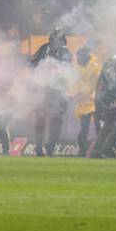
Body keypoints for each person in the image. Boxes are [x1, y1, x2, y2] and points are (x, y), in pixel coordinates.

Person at [28, 28, 73, 157]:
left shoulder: (44, 48)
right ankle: (49, 149)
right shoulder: (65, 51)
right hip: (55, 91)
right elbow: (66, 70)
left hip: (43, 89)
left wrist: (38, 74)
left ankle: (40, 148)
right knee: (55, 121)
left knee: (41, 119)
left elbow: (31, 63)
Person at [71, 45, 101, 157]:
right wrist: (76, 93)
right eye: (77, 57)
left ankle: (100, 149)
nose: (78, 60)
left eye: (80, 58)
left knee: (98, 126)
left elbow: (101, 82)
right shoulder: (76, 67)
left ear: (86, 57)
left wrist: (95, 93)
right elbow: (74, 82)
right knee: (84, 127)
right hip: (83, 101)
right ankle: (82, 149)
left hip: (95, 101)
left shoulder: (95, 66)